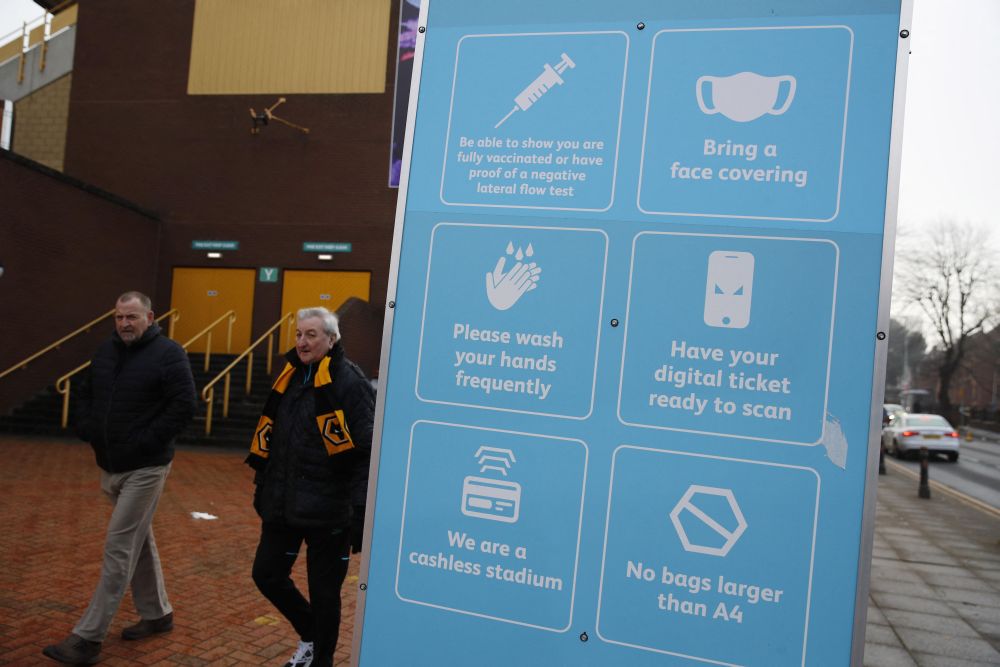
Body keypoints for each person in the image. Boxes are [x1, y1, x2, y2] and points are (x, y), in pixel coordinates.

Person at [44, 291, 196, 664]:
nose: (125, 323)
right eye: (119, 317)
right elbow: (84, 393)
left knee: (119, 544)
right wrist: (88, 429)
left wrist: (146, 441)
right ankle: (157, 613)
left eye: (132, 317)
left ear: (150, 317)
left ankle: (88, 638)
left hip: (147, 467)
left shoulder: (169, 353)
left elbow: (184, 405)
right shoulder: (105, 352)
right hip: (110, 464)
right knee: (137, 540)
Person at [247, 307, 374, 667]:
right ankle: (312, 636)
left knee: (324, 594)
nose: (302, 341)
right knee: (267, 574)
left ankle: (322, 660)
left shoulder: (348, 381)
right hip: (283, 503)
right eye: (299, 334)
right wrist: (262, 488)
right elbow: (273, 442)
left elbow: (366, 449)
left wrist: (359, 510)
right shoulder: (288, 378)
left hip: (330, 510)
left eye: (311, 335)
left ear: (331, 340)